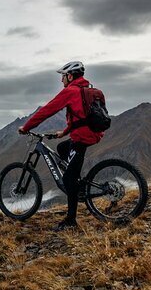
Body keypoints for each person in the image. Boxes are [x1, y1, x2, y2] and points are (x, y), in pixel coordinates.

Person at [17, 61, 104, 231]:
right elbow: (82, 117)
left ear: (70, 76)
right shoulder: (89, 90)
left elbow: (47, 110)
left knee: (68, 179)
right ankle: (76, 179)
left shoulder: (70, 91)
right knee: (62, 148)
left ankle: (70, 221)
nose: (61, 80)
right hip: (92, 134)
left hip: (82, 137)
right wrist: (64, 132)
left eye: (63, 76)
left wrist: (26, 127)